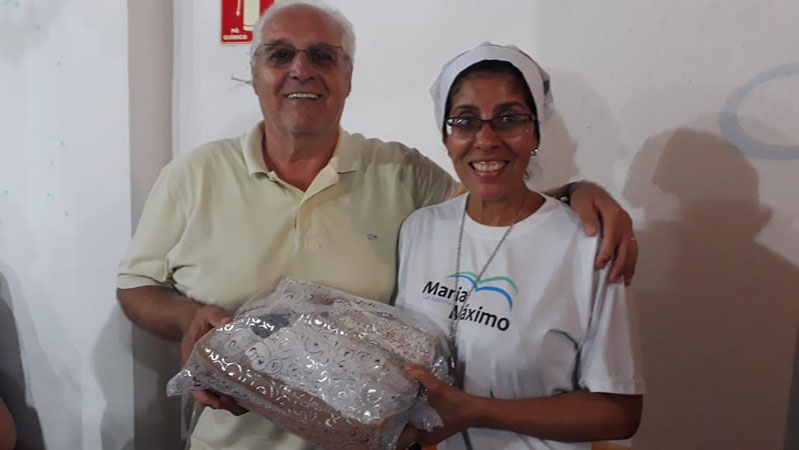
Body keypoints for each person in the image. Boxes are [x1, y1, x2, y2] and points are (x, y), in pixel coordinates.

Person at [117, 1, 638, 449]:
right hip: (232, 442)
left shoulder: (402, 174)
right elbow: (136, 286)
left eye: (322, 56)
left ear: (347, 76)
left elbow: (495, 203)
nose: (301, 70)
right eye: (279, 55)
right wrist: (188, 318)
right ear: (254, 74)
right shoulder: (193, 175)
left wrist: (579, 193)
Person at [393, 43, 646, 450]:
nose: (486, 139)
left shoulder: (587, 244)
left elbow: (620, 413)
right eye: (465, 121)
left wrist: (473, 410)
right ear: (446, 136)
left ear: (536, 133)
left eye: (509, 119)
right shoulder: (420, 229)